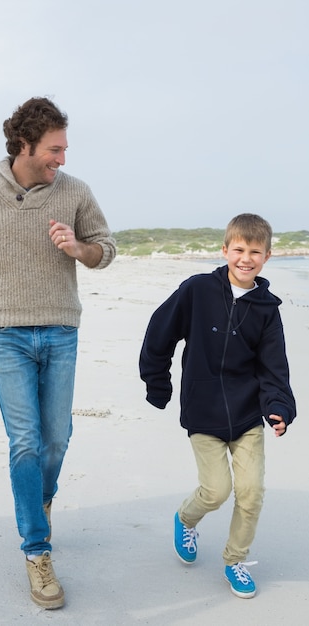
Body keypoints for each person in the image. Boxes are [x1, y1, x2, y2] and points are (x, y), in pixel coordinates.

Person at [0, 97, 116, 610]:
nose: (61, 159)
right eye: (54, 149)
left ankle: (38, 503)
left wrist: (77, 249)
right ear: (24, 146)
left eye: (64, 149)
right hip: (6, 334)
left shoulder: (76, 193)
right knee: (25, 441)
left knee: (56, 439)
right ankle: (37, 550)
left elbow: (104, 249)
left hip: (61, 330)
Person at [139, 213, 296, 599]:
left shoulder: (266, 309)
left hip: (247, 416)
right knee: (216, 491)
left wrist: (279, 407)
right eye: (239, 249)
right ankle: (186, 518)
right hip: (203, 411)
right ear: (225, 250)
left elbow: (274, 367)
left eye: (255, 251)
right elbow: (159, 334)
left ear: (267, 256)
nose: (246, 258)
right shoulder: (197, 290)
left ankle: (234, 559)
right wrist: (158, 384)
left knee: (251, 491)